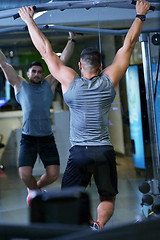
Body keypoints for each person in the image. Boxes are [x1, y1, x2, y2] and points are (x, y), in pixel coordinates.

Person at [18, 0, 150, 228]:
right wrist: (140, 15)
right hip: (105, 151)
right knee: (107, 197)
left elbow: (45, 50)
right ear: (100, 67)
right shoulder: (109, 80)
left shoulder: (70, 81)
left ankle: (76, 225)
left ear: (79, 65)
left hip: (79, 152)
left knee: (68, 198)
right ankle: (98, 225)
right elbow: (128, 45)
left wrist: (29, 20)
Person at [0, 33, 76, 206]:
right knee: (25, 175)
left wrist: (71, 40)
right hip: (28, 138)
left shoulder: (49, 84)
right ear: (27, 73)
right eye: (33, 71)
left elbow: (61, 62)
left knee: (54, 174)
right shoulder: (20, 85)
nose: (37, 74)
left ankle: (35, 190)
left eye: (39, 72)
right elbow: (3, 63)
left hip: (47, 138)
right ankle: (34, 191)